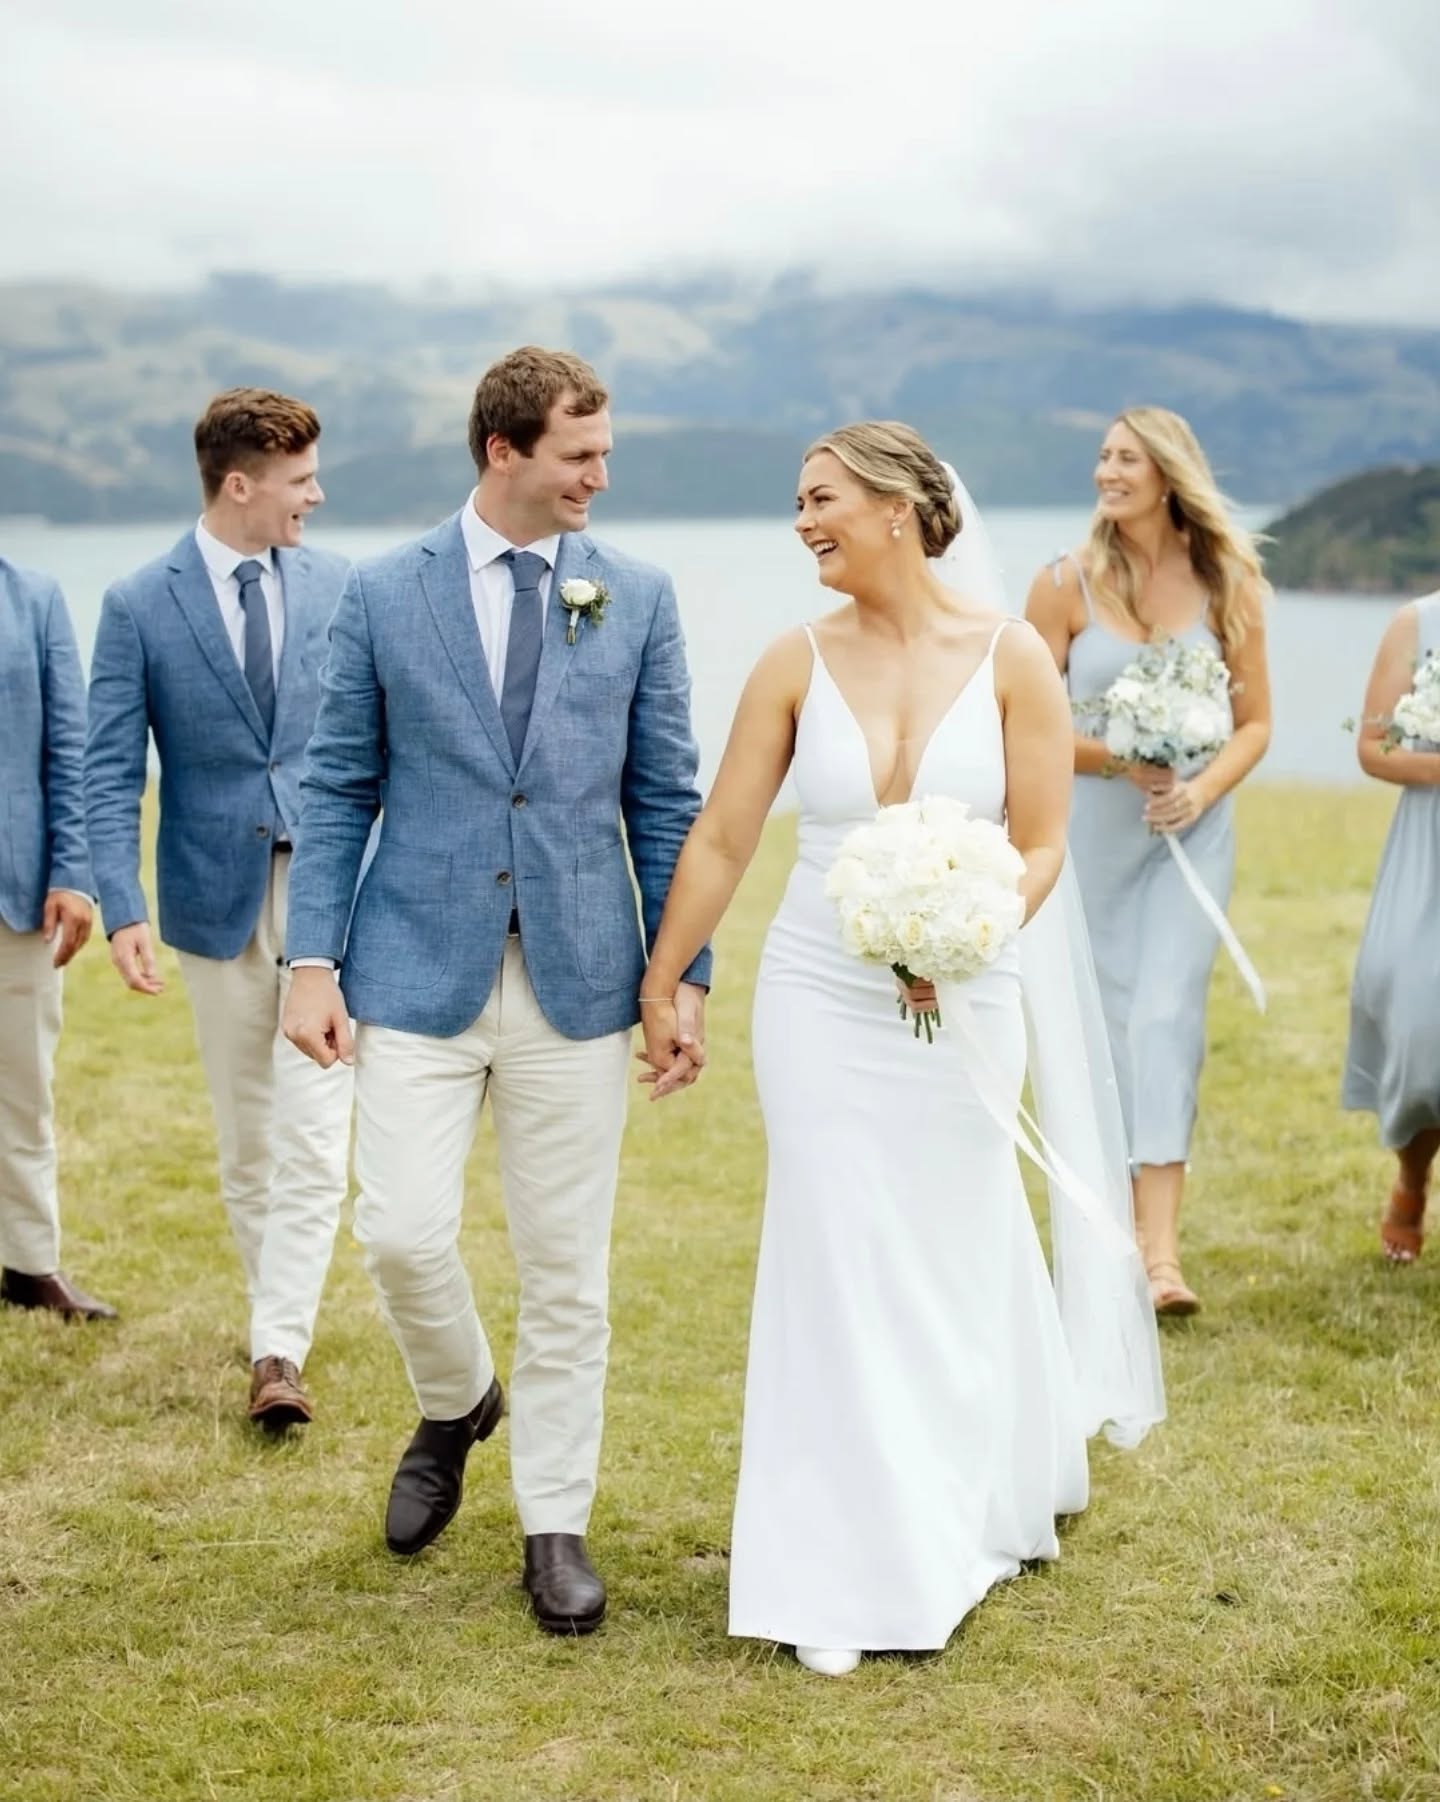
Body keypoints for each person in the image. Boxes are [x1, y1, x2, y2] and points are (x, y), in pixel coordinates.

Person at [636, 422, 1162, 1676]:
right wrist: (664, 979)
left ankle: (963, 1494)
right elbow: (723, 836)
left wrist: (969, 926)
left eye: (820, 497)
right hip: (818, 992)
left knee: (947, 1241)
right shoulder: (792, 659)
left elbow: (1041, 840)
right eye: (798, 501)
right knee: (833, 1245)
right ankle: (842, 1558)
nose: (802, 520)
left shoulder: (1014, 655)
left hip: (970, 987)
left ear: (896, 506)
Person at [280, 346, 710, 1637]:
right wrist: (310, 960)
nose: (600, 476)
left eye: (606, 452)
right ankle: (459, 1396)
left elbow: (667, 797)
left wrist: (681, 976)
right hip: (413, 964)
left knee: (567, 1267)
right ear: (502, 450)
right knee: (400, 1232)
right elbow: (337, 782)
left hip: (581, 977)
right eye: (580, 454)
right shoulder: (381, 589)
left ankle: (553, 1524)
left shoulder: (638, 594)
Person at [84, 388, 353, 1427]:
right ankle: (275, 1326)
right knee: (250, 1138)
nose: (316, 496)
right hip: (212, 898)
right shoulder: (137, 604)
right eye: (300, 481)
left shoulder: (340, 585)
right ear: (239, 485)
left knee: (317, 1130)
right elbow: (111, 770)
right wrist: (122, 906)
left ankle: (277, 1349)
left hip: (329, 892)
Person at [1025, 407, 1272, 1316]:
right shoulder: (1063, 583)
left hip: (1189, 840)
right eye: (1102, 456)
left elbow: (1255, 724)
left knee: (1165, 1020)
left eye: (1126, 458)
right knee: (1103, 1029)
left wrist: (1199, 794)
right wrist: (1118, 759)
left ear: (1169, 474)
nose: (1107, 471)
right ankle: (1104, 1231)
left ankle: (1159, 1255)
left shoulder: (1228, 582)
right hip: (1090, 840)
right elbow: (1025, 722)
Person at [0, 559, 115, 1321]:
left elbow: (70, 751)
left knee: (23, 1089)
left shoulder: (34, 597)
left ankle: (30, 1264)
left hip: (16, 893)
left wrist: (74, 873)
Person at [1343, 590, 1440, 1262]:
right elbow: (1374, 748)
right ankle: (1413, 1174)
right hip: (1428, 850)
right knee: (1420, 1023)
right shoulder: (1418, 623)